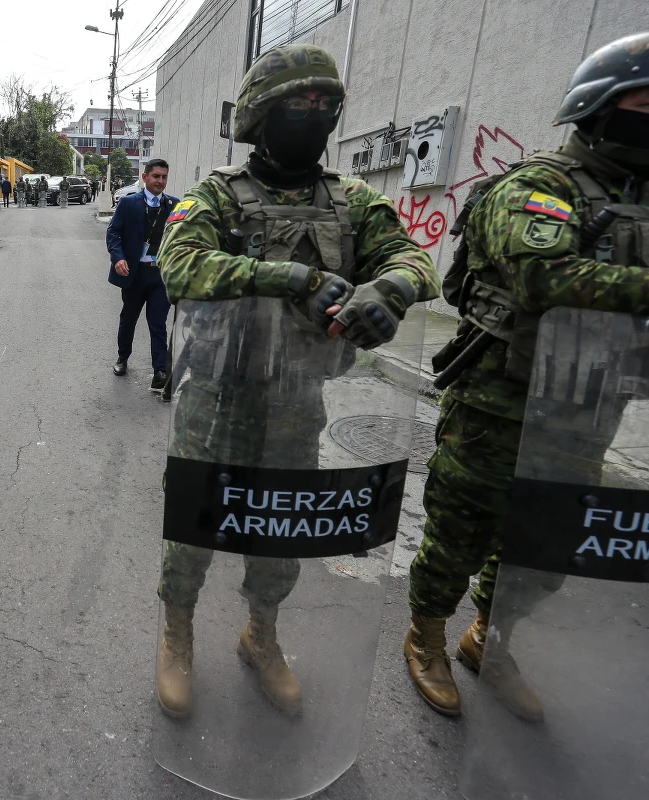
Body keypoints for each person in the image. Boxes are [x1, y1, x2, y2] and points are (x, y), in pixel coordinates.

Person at [155, 44, 439, 717]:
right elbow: (180, 267)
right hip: (216, 399)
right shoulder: (217, 196)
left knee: (279, 530)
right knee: (194, 528)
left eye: (322, 104)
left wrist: (390, 289)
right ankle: (176, 635)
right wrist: (285, 277)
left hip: (298, 399)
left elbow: (414, 257)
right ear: (259, 112)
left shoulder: (350, 201)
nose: (310, 114)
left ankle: (262, 635)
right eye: (295, 102)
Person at [405, 31, 649, 721]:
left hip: (591, 406)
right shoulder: (536, 184)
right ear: (601, 104)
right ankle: (425, 635)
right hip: (499, 403)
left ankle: (491, 637)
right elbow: (547, 276)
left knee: (548, 550)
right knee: (459, 534)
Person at [107, 159, 176, 393]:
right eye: (156, 176)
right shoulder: (128, 203)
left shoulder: (173, 205)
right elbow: (114, 232)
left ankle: (159, 371)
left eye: (164, 177)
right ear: (145, 177)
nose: (161, 181)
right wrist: (119, 258)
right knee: (129, 319)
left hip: (160, 275)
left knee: (158, 323)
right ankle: (122, 358)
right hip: (135, 274)